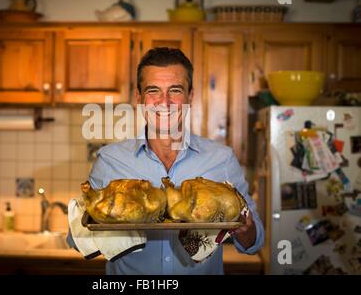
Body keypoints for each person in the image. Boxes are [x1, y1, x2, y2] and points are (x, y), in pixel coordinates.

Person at [69, 47, 264, 275]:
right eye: (153, 91)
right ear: (139, 98)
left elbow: (254, 242)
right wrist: (93, 225)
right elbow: (78, 239)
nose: (164, 102)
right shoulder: (110, 160)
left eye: (175, 90)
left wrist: (244, 229)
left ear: (190, 96)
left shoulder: (221, 159)